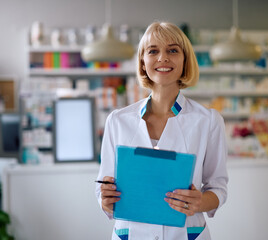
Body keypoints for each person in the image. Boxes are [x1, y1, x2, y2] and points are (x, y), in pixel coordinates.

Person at [96, 21, 228, 240]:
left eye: (173, 50)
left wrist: (199, 202)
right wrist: (105, 200)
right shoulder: (118, 121)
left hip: (185, 233)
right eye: (153, 51)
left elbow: (219, 188)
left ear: (185, 60)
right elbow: (103, 188)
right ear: (143, 61)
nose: (163, 58)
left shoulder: (208, 121)